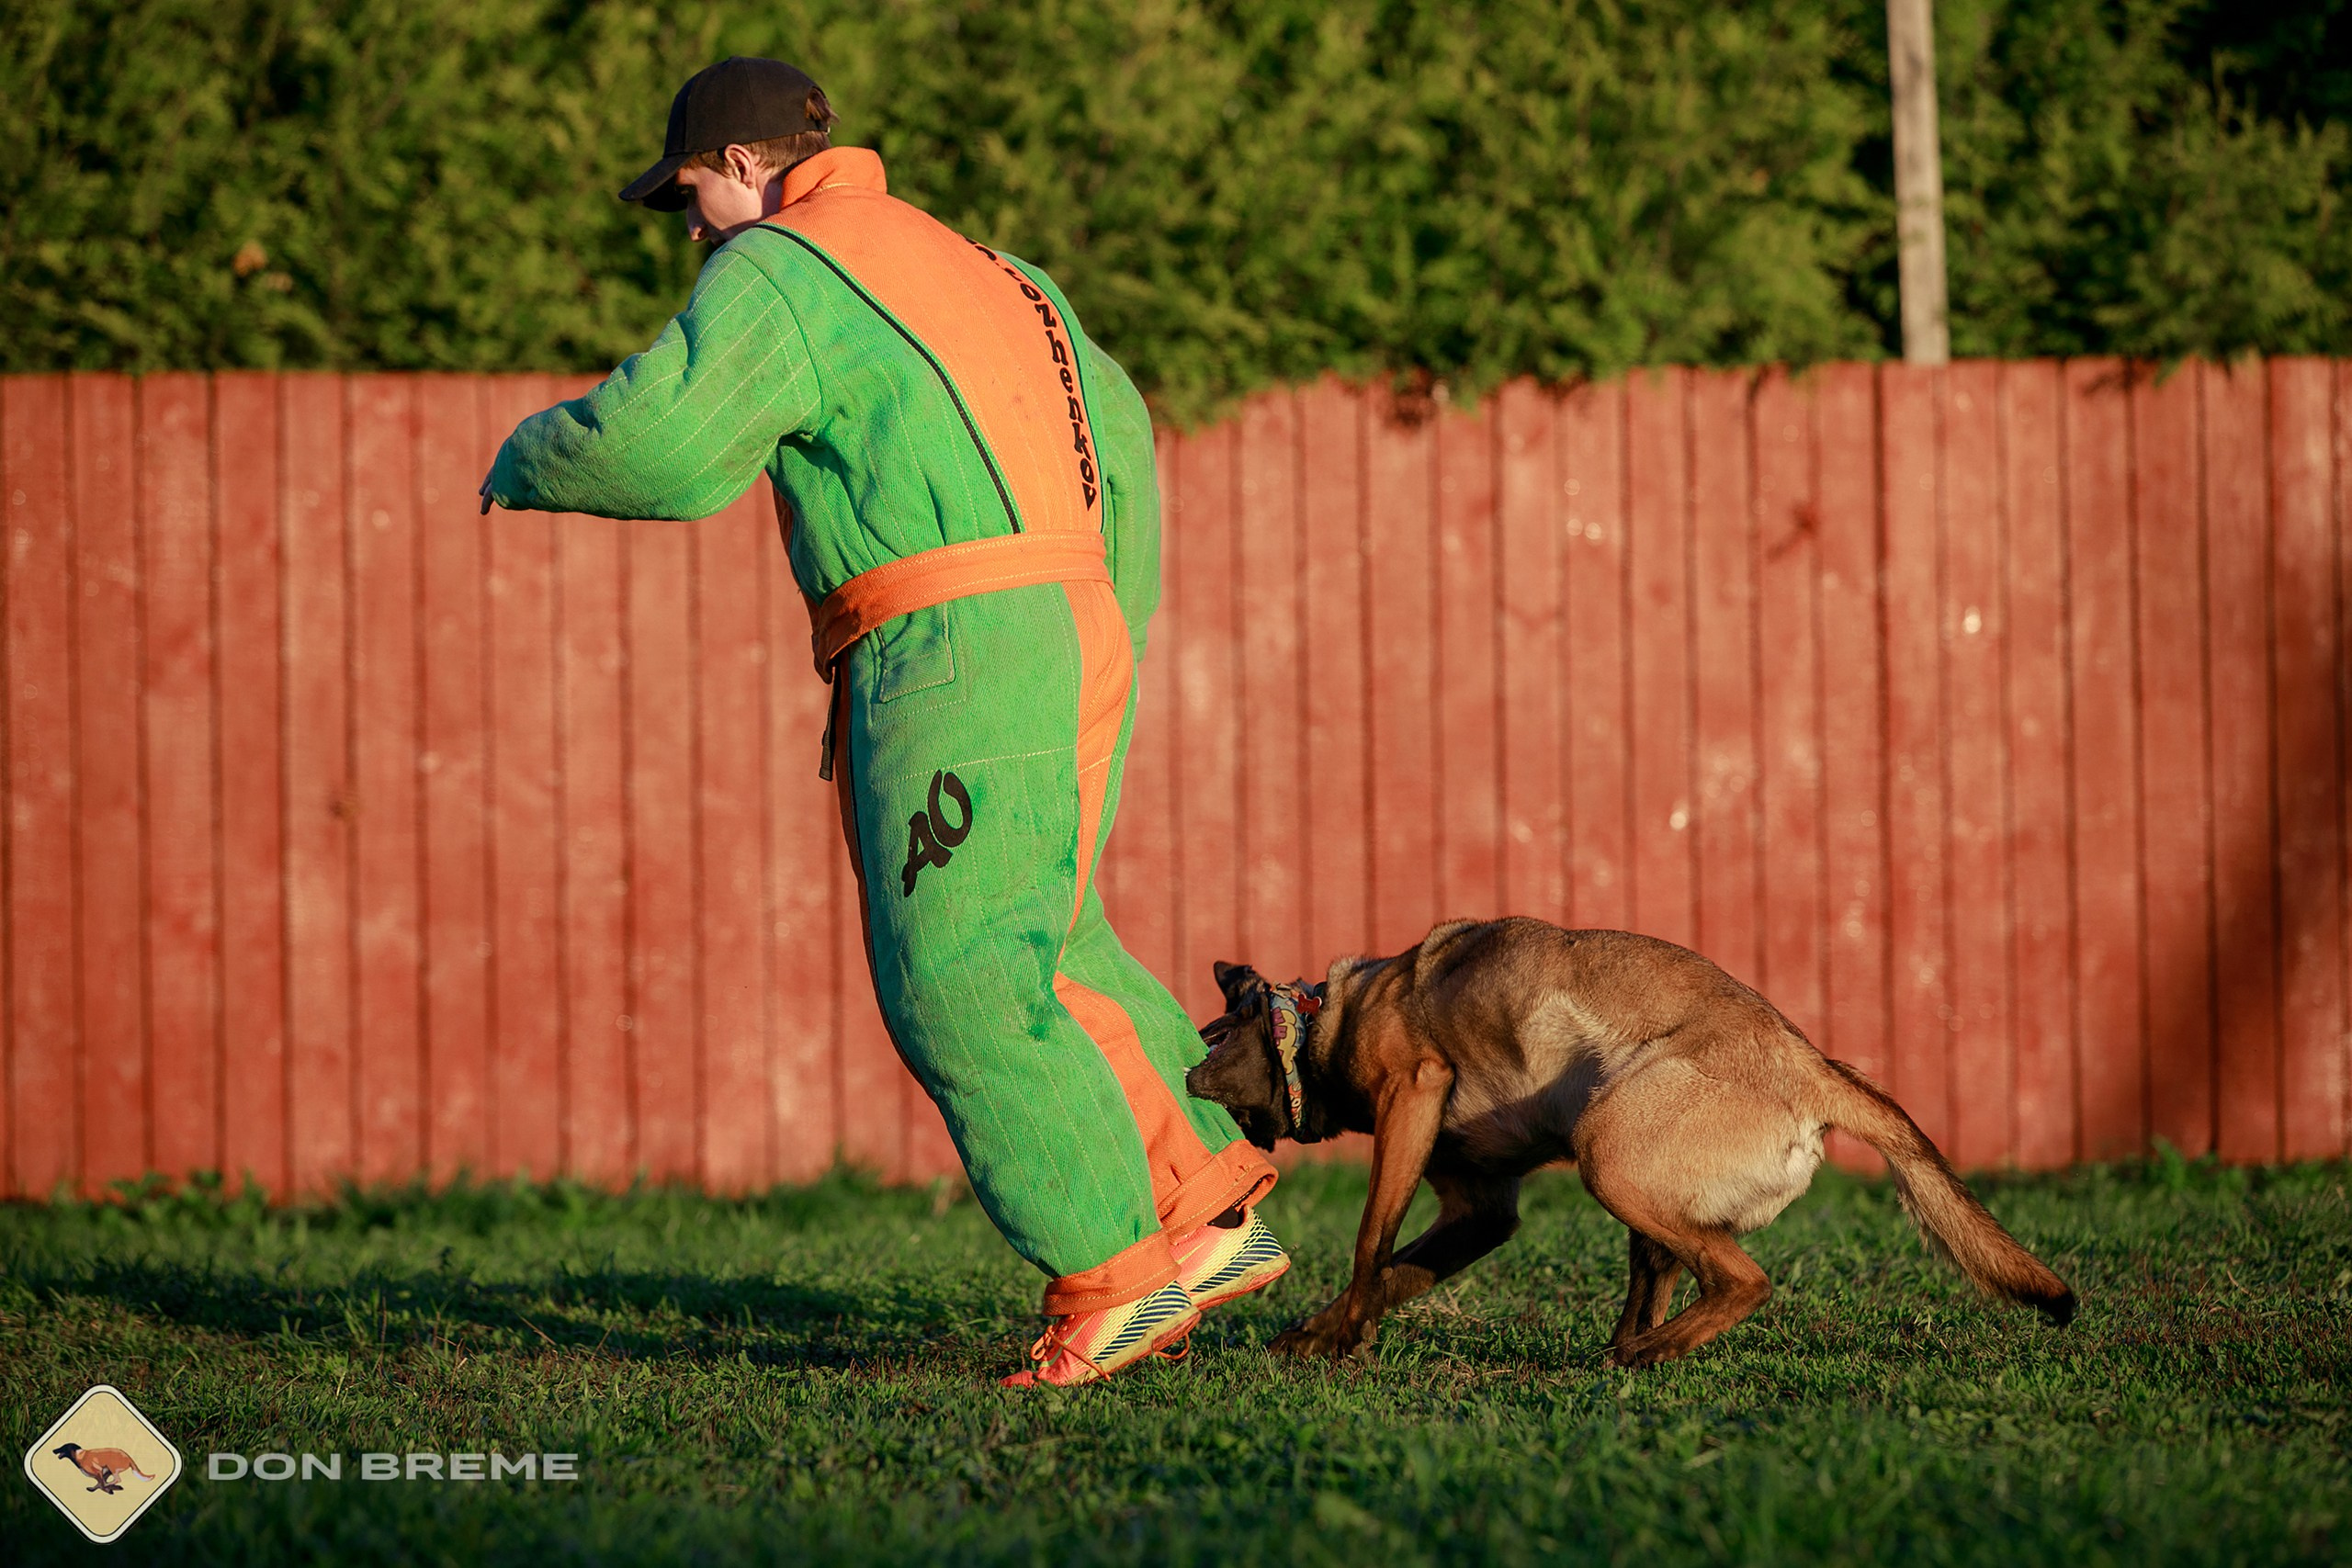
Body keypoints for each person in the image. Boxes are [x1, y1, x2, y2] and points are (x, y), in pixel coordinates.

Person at [479, 56, 1287, 1386]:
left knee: (959, 976)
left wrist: (529, 457)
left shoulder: (785, 268)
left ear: (742, 166)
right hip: (1078, 615)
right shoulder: (1001, 269)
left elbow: (668, 448)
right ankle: (1198, 1202)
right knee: (1053, 934)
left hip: (950, 638)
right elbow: (1124, 438)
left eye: (685, 194)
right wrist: (1099, 626)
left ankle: (1113, 1279)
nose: (685, 229)